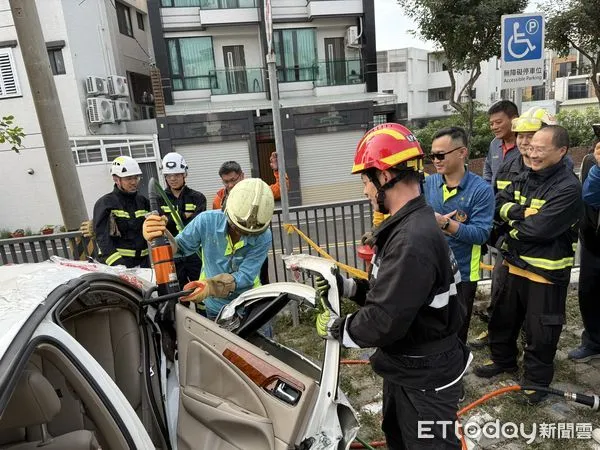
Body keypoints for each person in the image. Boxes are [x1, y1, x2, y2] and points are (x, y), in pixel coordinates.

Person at [315, 123, 470, 449]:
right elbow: (396, 293)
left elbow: (384, 319)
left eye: (365, 181)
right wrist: (349, 288)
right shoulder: (412, 224)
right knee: (398, 437)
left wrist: (338, 328)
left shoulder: (411, 239)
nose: (365, 191)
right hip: (409, 367)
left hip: (425, 376)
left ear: (384, 176)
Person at [474, 126, 582, 404]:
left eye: (540, 150)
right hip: (513, 265)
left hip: (545, 273)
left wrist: (510, 229)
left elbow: (540, 229)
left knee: (541, 330)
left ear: (561, 151)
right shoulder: (525, 176)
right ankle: (503, 360)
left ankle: (536, 382)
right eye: (531, 148)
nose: (532, 154)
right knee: (503, 317)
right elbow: (498, 202)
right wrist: (519, 213)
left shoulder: (568, 187)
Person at [470, 107, 558, 349]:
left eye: (532, 135)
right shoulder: (510, 164)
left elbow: (542, 221)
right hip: (508, 245)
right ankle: (500, 345)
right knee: (502, 293)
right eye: (521, 136)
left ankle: (527, 349)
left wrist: (515, 217)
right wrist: (510, 218)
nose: (525, 142)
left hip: (542, 258)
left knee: (536, 313)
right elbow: (500, 201)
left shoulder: (557, 172)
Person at [143, 178, 274, 320]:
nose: (240, 234)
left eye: (249, 233)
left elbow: (246, 276)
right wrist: (159, 235)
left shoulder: (263, 236)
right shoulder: (206, 221)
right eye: (236, 227)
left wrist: (212, 287)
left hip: (250, 303)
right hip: (215, 308)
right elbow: (178, 248)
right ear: (225, 208)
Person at [423, 127, 494, 344]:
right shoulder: (428, 184)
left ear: (462, 153)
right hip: (430, 269)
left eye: (440, 154)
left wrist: (444, 223)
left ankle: (456, 373)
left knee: (456, 329)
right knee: (430, 325)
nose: (435, 160)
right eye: (432, 155)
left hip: (463, 273)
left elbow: (481, 235)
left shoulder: (481, 190)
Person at [568, 134, 600, 362]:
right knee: (589, 291)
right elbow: (590, 196)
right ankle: (594, 341)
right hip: (594, 239)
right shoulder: (591, 161)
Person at [159, 152, 207, 288]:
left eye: (177, 175)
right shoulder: (159, 199)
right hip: (172, 255)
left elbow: (197, 224)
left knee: (200, 290)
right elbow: (161, 224)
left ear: (184, 174)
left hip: (195, 254)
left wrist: (169, 219)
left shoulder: (198, 198)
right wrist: (183, 215)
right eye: (169, 175)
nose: (173, 179)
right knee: (178, 295)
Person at [93, 156, 150, 268]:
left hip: (143, 264)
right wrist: (119, 265)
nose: (134, 182)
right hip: (117, 265)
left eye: (136, 178)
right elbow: (102, 239)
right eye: (129, 178)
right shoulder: (105, 203)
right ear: (116, 179)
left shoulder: (142, 201)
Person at [483, 100, 519, 185]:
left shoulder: (526, 144)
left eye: (498, 122)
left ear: (514, 120)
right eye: (491, 124)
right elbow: (488, 170)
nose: (494, 127)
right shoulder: (494, 144)